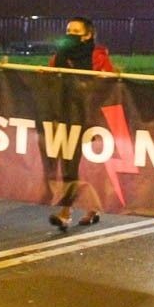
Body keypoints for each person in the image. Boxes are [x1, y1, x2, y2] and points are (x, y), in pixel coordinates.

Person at [47, 17, 117, 231]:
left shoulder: (99, 57)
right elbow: (51, 78)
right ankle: (66, 212)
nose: (70, 34)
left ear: (88, 35)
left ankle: (92, 208)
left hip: (91, 118)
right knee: (70, 165)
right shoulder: (60, 56)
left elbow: (111, 84)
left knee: (90, 167)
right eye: (68, 30)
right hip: (67, 116)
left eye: (76, 31)